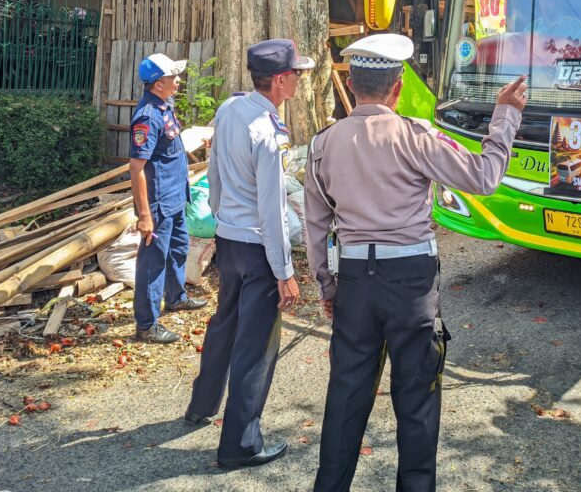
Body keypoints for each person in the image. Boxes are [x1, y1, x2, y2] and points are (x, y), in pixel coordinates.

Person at [305, 33, 528, 492]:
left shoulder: (323, 143)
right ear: (398, 87)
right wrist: (505, 116)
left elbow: (315, 227)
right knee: (417, 402)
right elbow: (485, 177)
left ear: (353, 82)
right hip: (411, 284)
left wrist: (327, 287)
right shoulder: (417, 136)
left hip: (354, 282)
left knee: (345, 398)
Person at [185, 38, 314, 469]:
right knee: (255, 347)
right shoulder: (268, 131)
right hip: (258, 246)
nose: (299, 81)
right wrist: (284, 271)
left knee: (225, 323)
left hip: (230, 240)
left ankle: (202, 404)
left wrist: (223, 220)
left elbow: (215, 174)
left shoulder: (230, 109)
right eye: (296, 74)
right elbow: (272, 209)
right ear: (279, 81)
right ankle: (239, 444)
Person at [129, 53, 207, 344]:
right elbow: (136, 167)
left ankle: (176, 297)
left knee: (178, 249)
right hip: (159, 204)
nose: (178, 81)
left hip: (175, 198)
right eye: (172, 77)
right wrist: (145, 215)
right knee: (153, 263)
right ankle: (146, 325)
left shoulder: (165, 106)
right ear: (158, 83)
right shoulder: (147, 116)